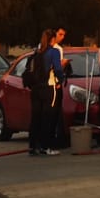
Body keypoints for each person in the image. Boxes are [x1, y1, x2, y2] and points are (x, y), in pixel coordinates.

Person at [32, 27, 67, 156]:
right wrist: (61, 79)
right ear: (53, 39)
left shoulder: (38, 51)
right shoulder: (54, 52)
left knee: (37, 117)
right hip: (49, 86)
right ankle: (46, 146)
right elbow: (57, 69)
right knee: (48, 117)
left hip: (36, 88)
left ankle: (34, 146)